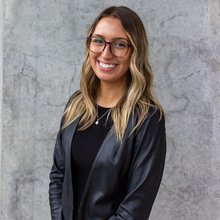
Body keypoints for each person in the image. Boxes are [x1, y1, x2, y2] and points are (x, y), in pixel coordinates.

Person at [49, 6, 166, 220]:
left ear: (135, 51)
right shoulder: (76, 105)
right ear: (89, 44)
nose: (106, 53)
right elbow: (58, 176)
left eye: (119, 44)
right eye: (98, 41)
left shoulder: (147, 118)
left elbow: (135, 207)